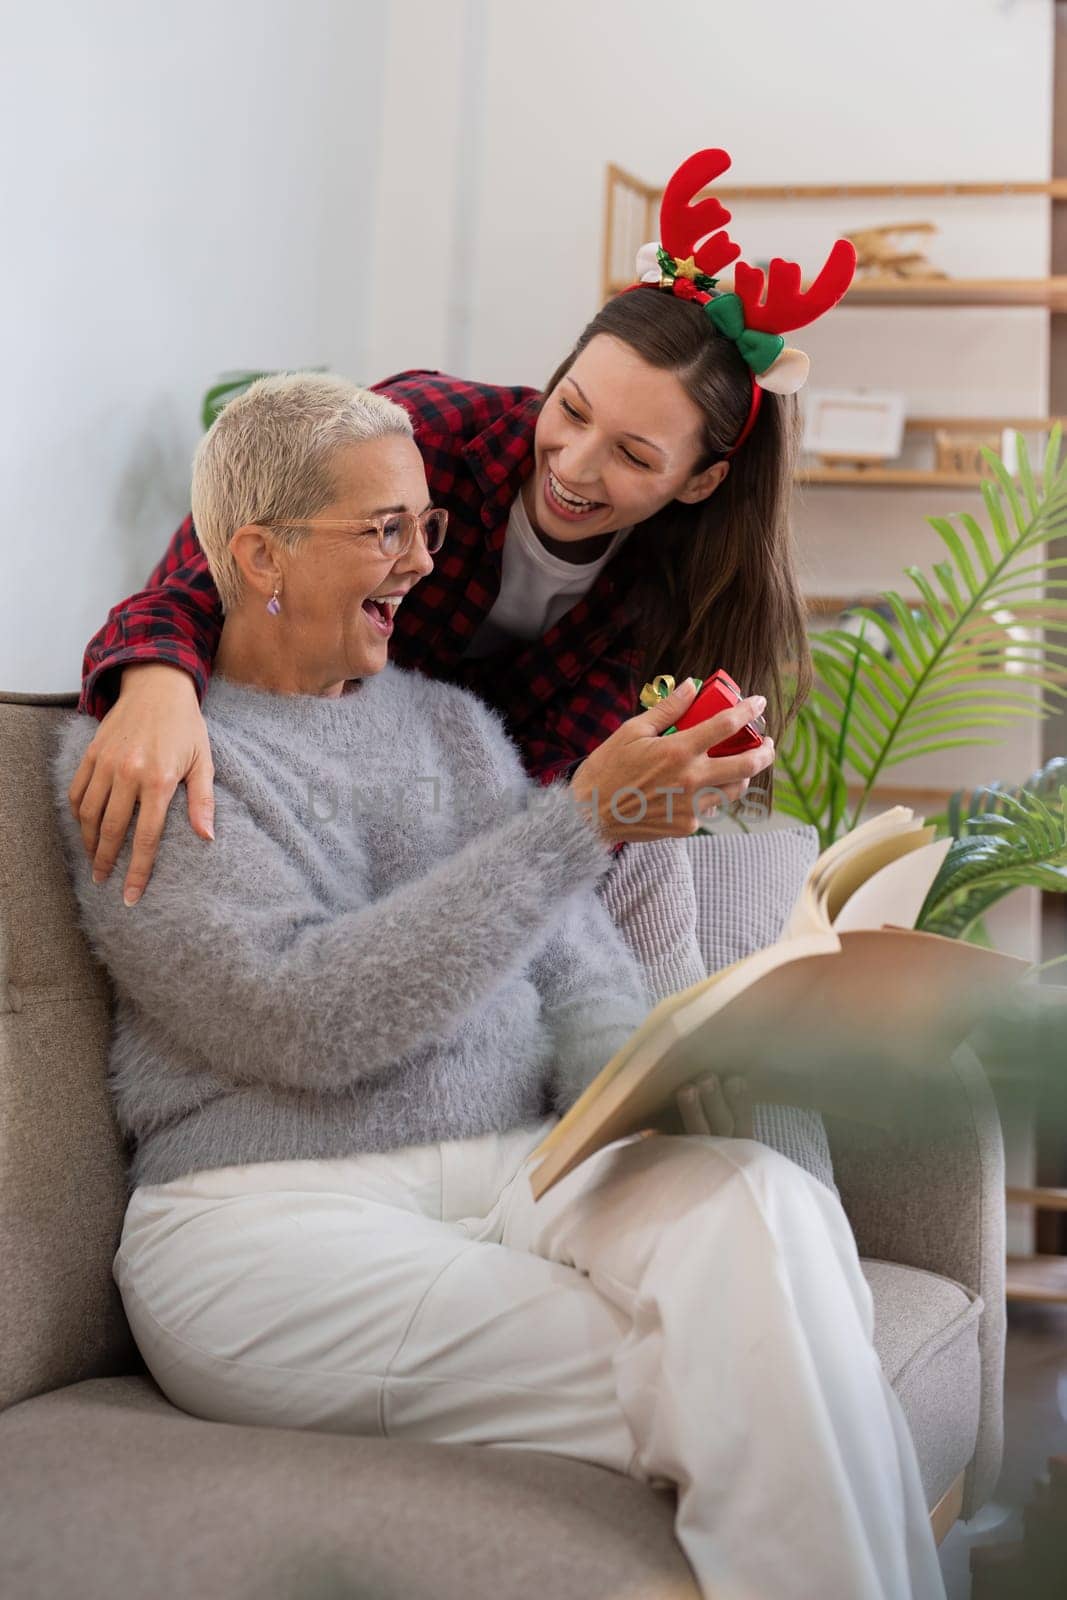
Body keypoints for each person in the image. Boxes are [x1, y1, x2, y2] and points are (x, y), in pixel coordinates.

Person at [54, 373, 944, 1600]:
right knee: (771, 1356)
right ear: (257, 553)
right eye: (384, 530)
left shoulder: (453, 729)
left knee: (756, 1196)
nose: (423, 562)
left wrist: (642, 1075)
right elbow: (300, 1019)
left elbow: (576, 965)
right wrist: (575, 823)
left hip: (500, 1169)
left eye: (426, 524)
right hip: (260, 1225)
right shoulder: (151, 760)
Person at [68, 146, 857, 906]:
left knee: (648, 880)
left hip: (463, 860)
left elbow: (539, 827)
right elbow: (210, 574)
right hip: (292, 776)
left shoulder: (671, 604)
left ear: (701, 482)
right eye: (572, 409)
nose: (575, 465)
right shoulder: (418, 438)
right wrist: (157, 682)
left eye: (632, 455)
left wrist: (608, 803)